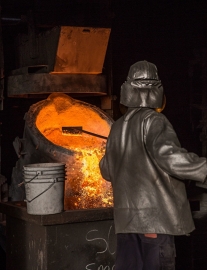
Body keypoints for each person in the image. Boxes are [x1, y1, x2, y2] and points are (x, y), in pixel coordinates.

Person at [99, 60, 207, 270]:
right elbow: (171, 158)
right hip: (154, 221)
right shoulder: (154, 121)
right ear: (156, 89)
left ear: (128, 89)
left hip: (126, 224)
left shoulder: (117, 128)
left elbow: (106, 170)